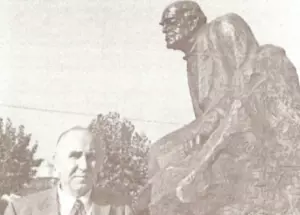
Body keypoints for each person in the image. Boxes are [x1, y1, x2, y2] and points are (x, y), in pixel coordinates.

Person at [4, 126, 134, 215]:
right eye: (75, 156)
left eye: (90, 157)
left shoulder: (121, 209)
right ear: (56, 162)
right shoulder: (21, 211)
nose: (84, 166)